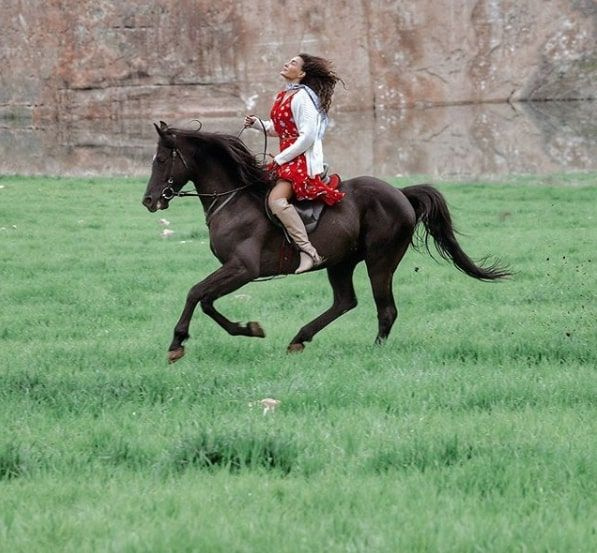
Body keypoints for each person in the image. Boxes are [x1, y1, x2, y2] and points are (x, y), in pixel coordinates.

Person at [244, 53, 345, 273]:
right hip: (289, 159)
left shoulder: (303, 98)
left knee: (276, 200)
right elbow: (278, 129)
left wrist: (280, 159)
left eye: (292, 63)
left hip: (302, 161)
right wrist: (257, 124)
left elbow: (307, 136)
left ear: (301, 73)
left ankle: (308, 251)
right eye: (288, 61)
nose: (286, 64)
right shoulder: (285, 95)